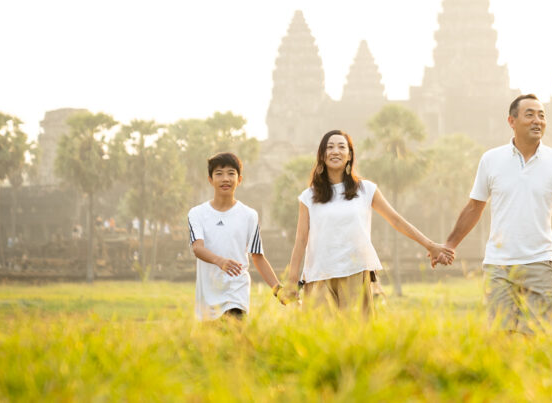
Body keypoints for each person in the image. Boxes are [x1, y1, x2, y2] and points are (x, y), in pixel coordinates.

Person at [436, 94, 552, 333]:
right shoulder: (491, 159)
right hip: (498, 266)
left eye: (542, 116)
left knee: (536, 336)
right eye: (529, 114)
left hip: (539, 262)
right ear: (511, 121)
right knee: (501, 336)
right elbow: (474, 207)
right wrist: (449, 244)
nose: (537, 121)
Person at [282, 129, 453, 316]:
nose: (335, 151)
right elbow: (300, 240)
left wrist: (430, 245)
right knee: (322, 340)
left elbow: (396, 220)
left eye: (341, 147)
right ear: (322, 156)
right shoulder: (309, 196)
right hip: (319, 276)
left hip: (354, 272)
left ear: (349, 155)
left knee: (356, 337)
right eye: (329, 147)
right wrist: (291, 281)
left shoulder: (365, 189)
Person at [188, 152, 283, 321]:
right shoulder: (197, 213)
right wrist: (220, 261)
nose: (225, 179)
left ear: (239, 179)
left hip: (236, 295)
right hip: (207, 298)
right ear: (210, 179)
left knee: (234, 339)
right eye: (219, 174)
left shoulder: (249, 215)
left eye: (231, 173)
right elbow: (197, 248)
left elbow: (258, 257)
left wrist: (278, 290)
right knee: (211, 346)